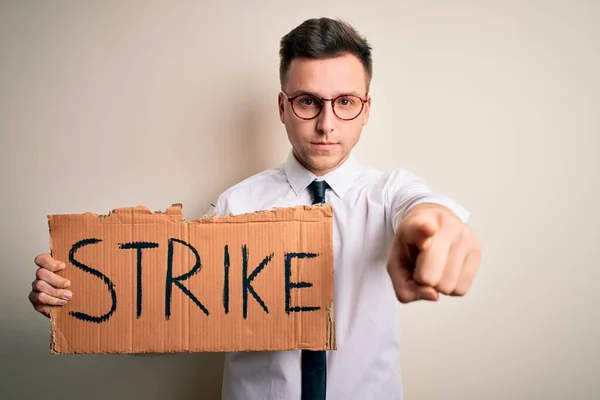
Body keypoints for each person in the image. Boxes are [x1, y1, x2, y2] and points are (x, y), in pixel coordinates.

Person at [29, 17, 482, 400]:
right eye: (308, 102)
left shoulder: (389, 195)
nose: (326, 124)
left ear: (366, 110)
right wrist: (79, 299)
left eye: (344, 102)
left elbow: (424, 209)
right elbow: (172, 315)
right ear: (283, 107)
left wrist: (433, 224)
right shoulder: (235, 205)